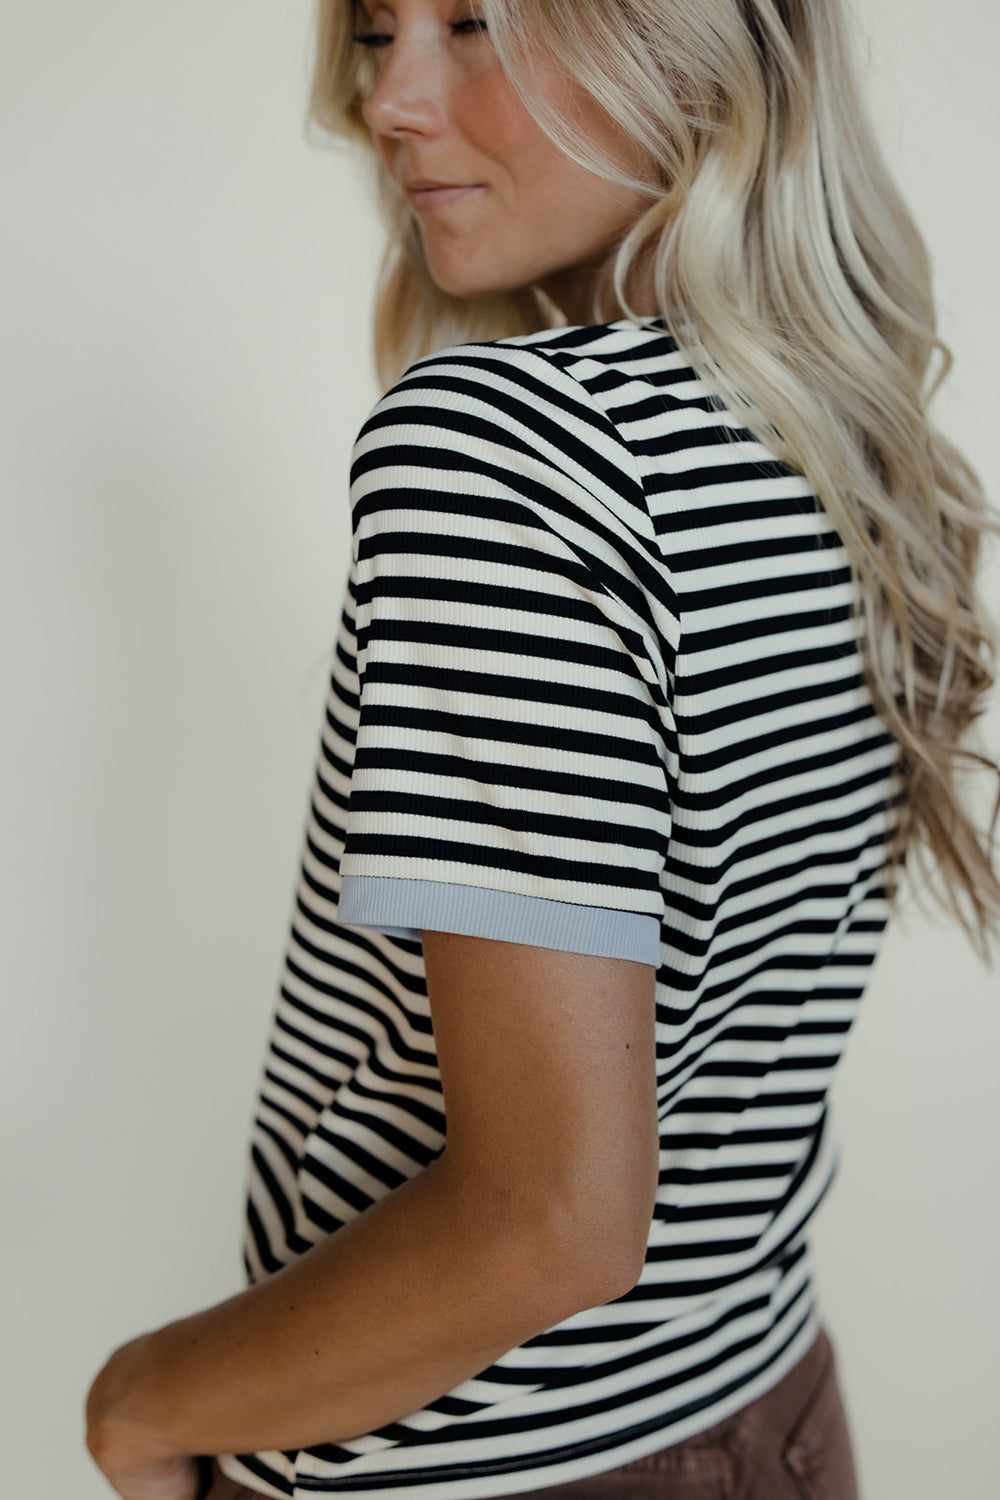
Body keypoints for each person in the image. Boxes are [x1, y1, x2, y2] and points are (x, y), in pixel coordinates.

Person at [85, 2, 1000, 1498]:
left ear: (696, 49)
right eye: (378, 29)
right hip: (769, 1407)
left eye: (477, 22)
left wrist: (140, 1402)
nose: (390, 101)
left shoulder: (510, 455)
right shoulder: (835, 443)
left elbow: (555, 1221)